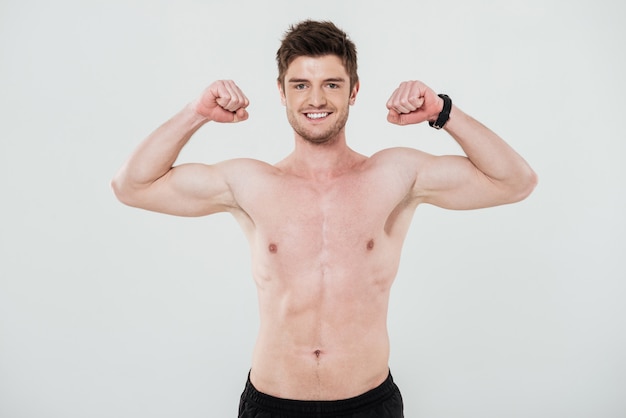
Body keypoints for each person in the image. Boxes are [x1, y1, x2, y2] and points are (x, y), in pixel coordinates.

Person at [112, 19, 537, 418]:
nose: (316, 99)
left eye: (331, 84)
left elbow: (515, 181)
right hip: (272, 404)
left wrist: (442, 112)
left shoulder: (395, 175)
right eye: (301, 85)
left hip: (368, 403)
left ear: (353, 91)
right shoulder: (250, 182)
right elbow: (131, 186)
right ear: (282, 92)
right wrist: (198, 111)